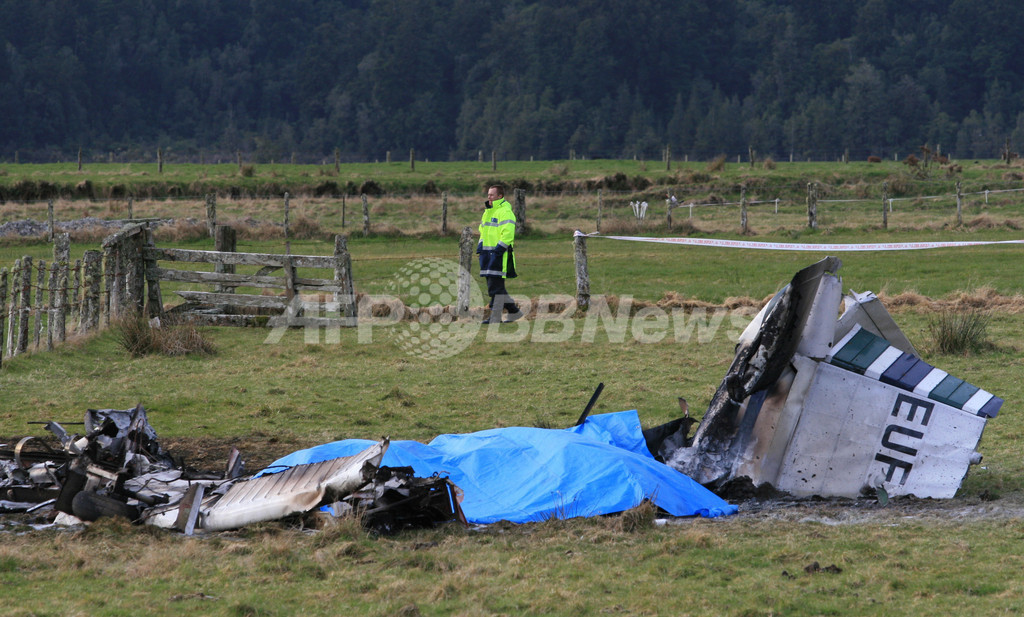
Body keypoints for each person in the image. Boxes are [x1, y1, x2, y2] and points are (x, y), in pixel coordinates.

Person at [477, 185, 521, 323]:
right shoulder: (488, 212)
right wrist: (480, 246)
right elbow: (483, 230)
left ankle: (496, 317)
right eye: (488, 194)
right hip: (486, 254)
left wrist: (498, 251)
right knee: (496, 287)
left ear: (500, 196)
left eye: (491, 195)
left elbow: (508, 234)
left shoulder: (505, 212)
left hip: (498, 255)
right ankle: (514, 312)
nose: (488, 197)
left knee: (495, 287)